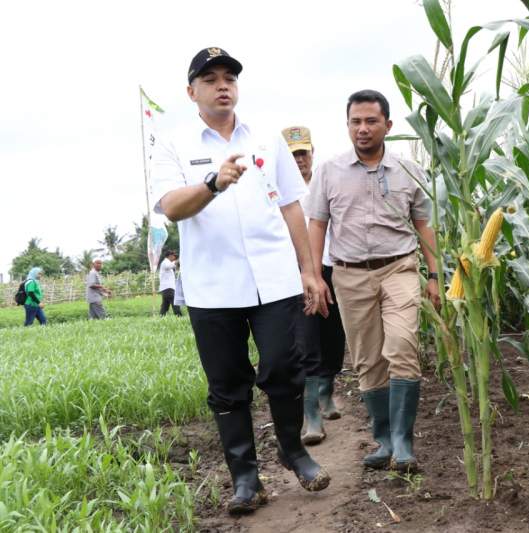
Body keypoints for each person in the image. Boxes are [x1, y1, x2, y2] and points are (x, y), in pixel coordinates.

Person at [150, 47, 329, 515]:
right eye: (209, 79)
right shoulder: (172, 143)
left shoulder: (267, 140)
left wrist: (309, 271)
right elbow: (170, 207)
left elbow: (292, 205)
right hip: (213, 287)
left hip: (274, 281)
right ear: (192, 92)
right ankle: (246, 478)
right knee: (228, 384)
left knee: (283, 369)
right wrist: (212, 183)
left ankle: (294, 452)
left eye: (229, 77)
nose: (222, 85)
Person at [307, 90, 440, 473]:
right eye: (355, 122)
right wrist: (315, 275)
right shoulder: (329, 171)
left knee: (402, 346)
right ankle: (383, 440)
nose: (362, 129)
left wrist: (434, 275)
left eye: (370, 121)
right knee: (367, 360)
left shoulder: (409, 169)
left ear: (388, 125)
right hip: (349, 274)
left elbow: (424, 225)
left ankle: (403, 442)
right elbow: (318, 223)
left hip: (399, 268)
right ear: (347, 124)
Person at [282, 126, 347, 446]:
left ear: (312, 153)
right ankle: (312, 415)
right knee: (305, 339)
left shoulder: (325, 183)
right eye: (292, 154)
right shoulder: (277, 190)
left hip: (332, 266)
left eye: (302, 153)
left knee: (333, 335)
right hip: (296, 273)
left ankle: (327, 391)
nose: (298, 160)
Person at [158, 250, 183, 316]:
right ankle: (179, 316)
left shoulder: (167, 262)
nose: (174, 257)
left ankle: (162, 316)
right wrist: (178, 260)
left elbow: (174, 266)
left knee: (165, 305)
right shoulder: (165, 262)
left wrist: (178, 263)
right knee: (175, 303)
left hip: (166, 288)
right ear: (170, 256)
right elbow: (169, 266)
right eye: (174, 256)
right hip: (168, 287)